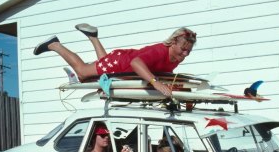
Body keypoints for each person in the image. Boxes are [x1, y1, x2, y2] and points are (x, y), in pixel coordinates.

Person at [33, 24, 197, 97]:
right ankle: (55, 45)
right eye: (183, 48)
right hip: (122, 63)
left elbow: (162, 72)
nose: (185, 53)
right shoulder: (160, 51)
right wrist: (155, 83)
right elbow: (136, 64)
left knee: (102, 66)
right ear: (174, 42)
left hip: (121, 64)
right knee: (83, 73)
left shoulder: (175, 58)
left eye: (188, 51)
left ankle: (93, 36)